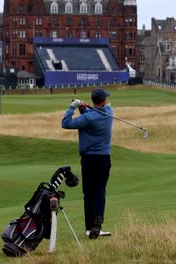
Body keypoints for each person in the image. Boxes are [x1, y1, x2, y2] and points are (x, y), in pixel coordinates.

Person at [61, 88, 113, 239]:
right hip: (103, 159)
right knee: (100, 191)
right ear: (103, 101)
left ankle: (89, 228)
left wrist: (73, 107)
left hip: (89, 160)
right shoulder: (109, 113)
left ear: (93, 100)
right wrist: (84, 110)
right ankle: (98, 222)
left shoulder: (88, 119)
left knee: (88, 194)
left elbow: (66, 123)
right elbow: (95, 115)